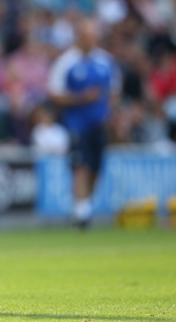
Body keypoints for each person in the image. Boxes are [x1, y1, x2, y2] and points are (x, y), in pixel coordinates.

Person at [48, 18, 120, 229]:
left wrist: (110, 113)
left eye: (93, 35)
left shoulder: (105, 61)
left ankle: (85, 205)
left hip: (100, 124)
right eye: (86, 35)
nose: (90, 39)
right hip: (76, 124)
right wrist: (81, 98)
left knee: (96, 167)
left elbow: (113, 90)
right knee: (82, 166)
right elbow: (55, 93)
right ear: (78, 37)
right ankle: (81, 214)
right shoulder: (66, 62)